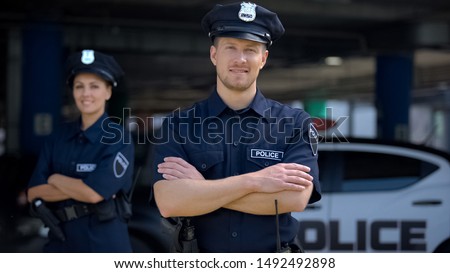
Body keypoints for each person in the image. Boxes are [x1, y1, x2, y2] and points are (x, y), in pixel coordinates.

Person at [151, 1, 321, 253]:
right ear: (214, 55)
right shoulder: (179, 124)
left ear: (263, 59)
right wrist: (256, 181)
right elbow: (169, 202)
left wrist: (201, 189)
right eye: (230, 47)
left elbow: (293, 199)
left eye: (250, 49)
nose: (240, 59)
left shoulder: (294, 124)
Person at [27, 49, 134, 252]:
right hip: (60, 241)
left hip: (103, 244)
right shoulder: (57, 138)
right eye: (79, 86)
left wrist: (55, 178)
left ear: (108, 91)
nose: (86, 94)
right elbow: (33, 192)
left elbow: (93, 193)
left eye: (94, 86)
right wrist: (81, 187)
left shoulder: (118, 138)